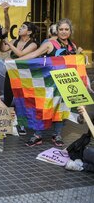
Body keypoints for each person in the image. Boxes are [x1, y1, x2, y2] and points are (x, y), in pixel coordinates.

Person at [17, 18, 83, 147]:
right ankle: (37, 135)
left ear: (70, 31)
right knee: (43, 108)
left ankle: (57, 134)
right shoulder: (50, 44)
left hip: (65, 84)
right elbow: (34, 54)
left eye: (66, 29)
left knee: (61, 109)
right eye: (61, 29)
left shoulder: (72, 46)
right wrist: (17, 62)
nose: (63, 32)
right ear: (57, 31)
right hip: (48, 83)